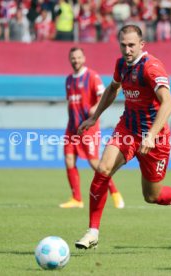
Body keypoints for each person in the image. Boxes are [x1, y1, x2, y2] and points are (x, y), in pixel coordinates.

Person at [75, 24, 171, 250]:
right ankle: (93, 231)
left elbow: (168, 103)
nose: (127, 50)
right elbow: (113, 88)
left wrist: (151, 135)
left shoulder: (152, 68)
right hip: (127, 129)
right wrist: (94, 117)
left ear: (141, 45)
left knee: (152, 196)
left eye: (131, 45)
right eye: (123, 45)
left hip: (155, 139)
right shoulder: (121, 64)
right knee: (103, 169)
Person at [59, 47, 125, 209]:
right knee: (68, 159)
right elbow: (70, 103)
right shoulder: (68, 80)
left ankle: (115, 192)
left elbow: (104, 96)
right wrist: (70, 122)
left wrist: (95, 109)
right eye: (73, 58)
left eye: (78, 57)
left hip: (89, 126)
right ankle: (76, 199)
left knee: (95, 163)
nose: (76, 60)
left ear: (84, 58)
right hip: (72, 128)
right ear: (70, 60)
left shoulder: (92, 76)